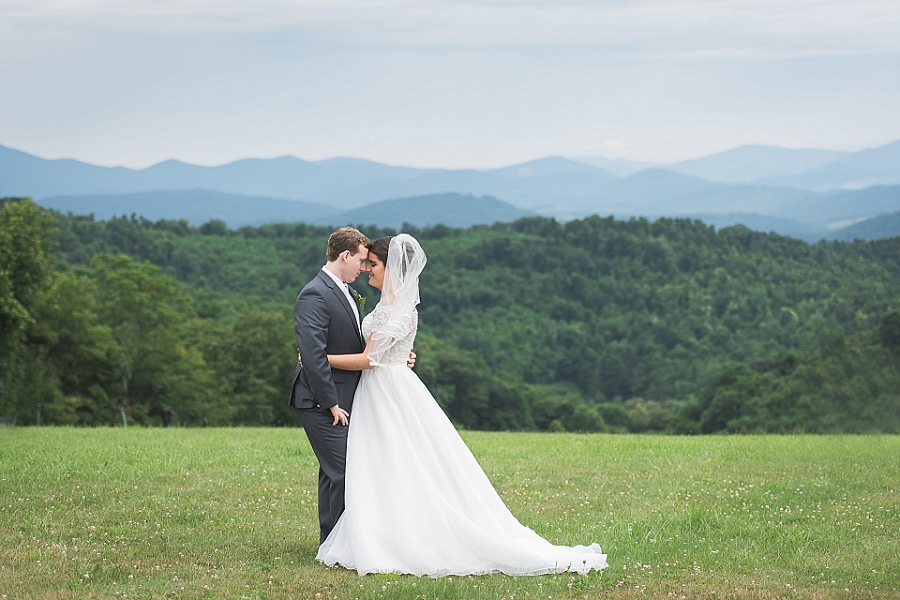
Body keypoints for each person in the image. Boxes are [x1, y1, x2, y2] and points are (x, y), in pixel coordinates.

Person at [315, 234, 608, 577]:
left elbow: (370, 358)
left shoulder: (399, 308)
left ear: (391, 268)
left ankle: (401, 538)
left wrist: (321, 359)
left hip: (389, 392)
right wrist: (398, 356)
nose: (368, 270)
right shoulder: (386, 305)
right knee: (382, 463)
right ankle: (379, 531)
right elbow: (381, 351)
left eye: (374, 265)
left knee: (399, 462)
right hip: (380, 390)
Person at [290, 226, 371, 545]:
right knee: (343, 471)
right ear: (345, 255)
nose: (363, 268)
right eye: (361, 261)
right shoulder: (315, 292)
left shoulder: (347, 291)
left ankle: (332, 542)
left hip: (342, 397)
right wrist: (331, 402)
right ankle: (340, 544)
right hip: (320, 400)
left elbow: (356, 343)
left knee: (333, 472)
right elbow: (311, 352)